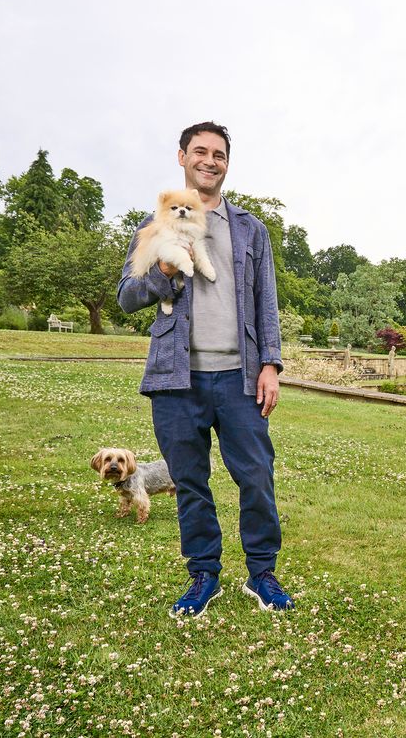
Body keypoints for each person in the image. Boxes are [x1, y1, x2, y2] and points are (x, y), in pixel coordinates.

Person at [117, 121, 293, 617]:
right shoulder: (154, 227)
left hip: (240, 377)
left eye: (218, 154)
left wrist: (271, 365)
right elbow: (126, 296)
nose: (209, 160)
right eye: (200, 151)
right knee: (189, 481)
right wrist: (164, 274)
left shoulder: (250, 229)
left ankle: (262, 575)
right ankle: (203, 575)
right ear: (182, 157)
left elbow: (267, 303)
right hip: (177, 379)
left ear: (226, 163)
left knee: (256, 476)